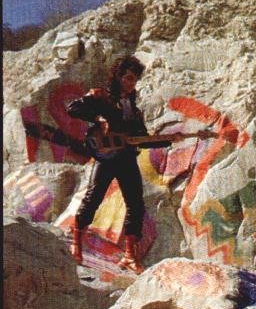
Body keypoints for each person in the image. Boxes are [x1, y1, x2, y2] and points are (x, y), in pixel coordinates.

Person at [67, 56, 183, 274]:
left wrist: (170, 139)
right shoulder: (100, 96)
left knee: (136, 205)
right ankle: (76, 244)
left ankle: (129, 255)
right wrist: (98, 118)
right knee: (93, 198)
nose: (132, 83)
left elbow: (142, 139)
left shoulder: (134, 109)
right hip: (106, 158)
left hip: (127, 158)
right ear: (118, 77)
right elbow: (73, 108)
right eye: (128, 78)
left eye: (135, 79)